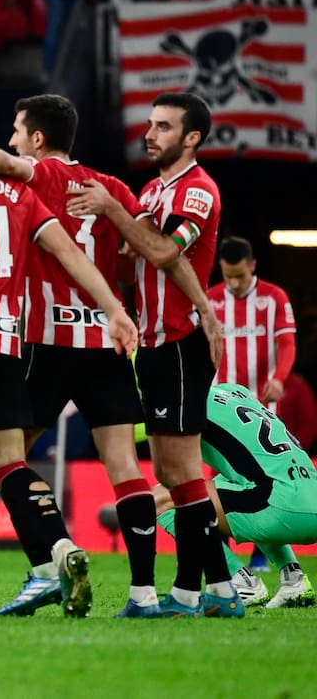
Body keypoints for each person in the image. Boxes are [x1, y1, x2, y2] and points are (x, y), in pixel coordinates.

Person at [0, 93, 222, 618]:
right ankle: (144, 592)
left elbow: (0, 175)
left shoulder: (34, 178)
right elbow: (148, 251)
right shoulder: (113, 187)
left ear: (38, 139)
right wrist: (171, 305)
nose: (11, 141)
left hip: (42, 344)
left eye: (17, 131)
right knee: (128, 467)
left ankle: (47, 559)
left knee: (5, 461)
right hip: (104, 342)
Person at [68, 91, 241, 617]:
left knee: (183, 471)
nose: (149, 133)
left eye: (164, 126)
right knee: (169, 471)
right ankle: (217, 589)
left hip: (181, 342)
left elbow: (166, 252)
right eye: (150, 123)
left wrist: (111, 209)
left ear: (192, 138)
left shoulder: (198, 191)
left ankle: (195, 591)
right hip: (154, 343)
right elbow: (137, 262)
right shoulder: (152, 190)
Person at [155, 383, 317, 610]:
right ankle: (293, 578)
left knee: (164, 498)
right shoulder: (237, 391)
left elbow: (173, 468)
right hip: (308, 492)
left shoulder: (184, 402)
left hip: (279, 505)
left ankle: (239, 580)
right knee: (246, 484)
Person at [208, 237, 296, 410]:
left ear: (252, 265)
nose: (234, 283)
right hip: (221, 401)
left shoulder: (274, 297)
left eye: (240, 276)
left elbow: (287, 344)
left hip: (263, 401)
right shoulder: (208, 300)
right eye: (228, 276)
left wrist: (279, 379)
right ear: (221, 266)